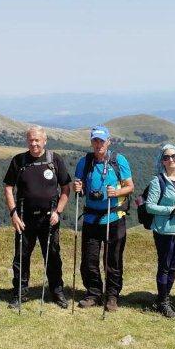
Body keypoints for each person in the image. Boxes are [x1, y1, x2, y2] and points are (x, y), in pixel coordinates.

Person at [3, 126, 73, 310]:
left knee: (53, 257)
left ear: (45, 140)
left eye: (37, 140)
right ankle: (20, 292)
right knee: (21, 257)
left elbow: (66, 187)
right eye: (31, 140)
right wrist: (13, 214)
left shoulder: (54, 159)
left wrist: (58, 211)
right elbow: (8, 187)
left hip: (49, 218)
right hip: (24, 219)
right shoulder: (19, 161)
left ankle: (57, 291)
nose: (34, 143)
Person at [72, 126, 134, 312]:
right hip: (91, 218)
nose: (98, 144)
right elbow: (81, 189)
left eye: (101, 141)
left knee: (112, 260)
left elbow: (130, 186)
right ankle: (93, 293)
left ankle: (112, 296)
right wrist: (78, 188)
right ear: (92, 142)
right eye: (95, 141)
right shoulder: (85, 162)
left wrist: (116, 192)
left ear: (108, 142)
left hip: (114, 216)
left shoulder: (118, 160)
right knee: (89, 260)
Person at [144, 143, 175, 318]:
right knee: (165, 266)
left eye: (174, 156)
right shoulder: (157, 181)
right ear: (162, 161)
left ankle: (164, 298)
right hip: (164, 230)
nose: (171, 159)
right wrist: (172, 210)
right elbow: (149, 207)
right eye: (166, 157)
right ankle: (163, 302)